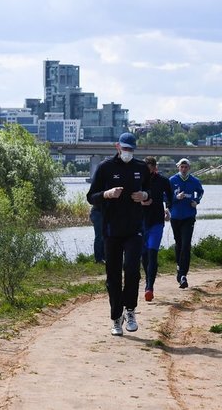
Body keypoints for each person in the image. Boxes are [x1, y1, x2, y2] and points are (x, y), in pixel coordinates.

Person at [86, 132, 151, 336]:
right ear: (117, 147)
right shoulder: (105, 168)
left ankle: (130, 310)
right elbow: (91, 196)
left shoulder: (141, 168)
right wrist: (106, 194)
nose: (127, 152)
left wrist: (145, 195)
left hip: (134, 229)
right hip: (111, 230)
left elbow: (152, 193)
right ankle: (116, 318)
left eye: (131, 149)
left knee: (132, 270)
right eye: (125, 149)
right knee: (113, 276)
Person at [140, 156, 173, 302]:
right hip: (140, 222)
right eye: (145, 168)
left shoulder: (163, 181)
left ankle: (149, 287)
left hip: (157, 222)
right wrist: (141, 203)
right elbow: (129, 198)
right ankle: (148, 278)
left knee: (152, 254)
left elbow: (170, 197)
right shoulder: (138, 180)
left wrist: (168, 209)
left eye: (149, 168)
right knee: (144, 256)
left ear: (154, 167)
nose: (147, 170)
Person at [169, 158, 204, 289]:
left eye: (186, 167)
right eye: (181, 167)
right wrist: (175, 198)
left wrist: (196, 201)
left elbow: (200, 192)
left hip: (189, 216)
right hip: (175, 216)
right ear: (178, 167)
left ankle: (183, 275)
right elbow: (165, 196)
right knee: (178, 244)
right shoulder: (172, 180)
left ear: (189, 168)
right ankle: (179, 267)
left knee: (186, 245)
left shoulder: (194, 181)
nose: (183, 169)